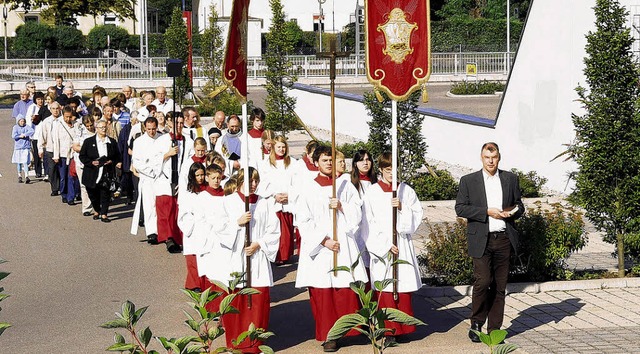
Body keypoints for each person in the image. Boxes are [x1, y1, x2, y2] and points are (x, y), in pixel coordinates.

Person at [294, 145, 368, 352]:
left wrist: (342, 206)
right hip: (321, 248)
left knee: (344, 290)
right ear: (316, 162)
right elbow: (303, 219)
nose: (328, 163)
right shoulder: (308, 188)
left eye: (331, 160)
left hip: (343, 244)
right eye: (325, 160)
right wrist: (323, 240)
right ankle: (329, 336)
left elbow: (357, 214)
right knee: (323, 293)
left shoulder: (344, 185)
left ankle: (348, 330)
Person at [455, 142, 525, 342]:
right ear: (481, 158)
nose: (491, 161)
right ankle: (476, 322)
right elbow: (460, 208)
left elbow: (520, 205)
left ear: (499, 158)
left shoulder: (510, 179)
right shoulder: (469, 181)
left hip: (503, 238)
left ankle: (494, 329)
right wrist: (486, 212)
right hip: (481, 239)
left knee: (499, 287)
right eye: (487, 157)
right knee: (483, 281)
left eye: (493, 157)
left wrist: (513, 212)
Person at [363, 152, 423, 342]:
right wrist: (384, 245)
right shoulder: (372, 192)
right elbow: (367, 224)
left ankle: (404, 328)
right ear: (380, 169)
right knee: (385, 289)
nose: (392, 174)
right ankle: (388, 331)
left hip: (402, 243)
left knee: (402, 287)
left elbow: (416, 218)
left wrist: (402, 208)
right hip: (382, 245)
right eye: (388, 170)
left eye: (395, 170)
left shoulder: (406, 190)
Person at [218, 167, 279, 353]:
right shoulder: (227, 202)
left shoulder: (265, 203)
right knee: (236, 301)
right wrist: (237, 223)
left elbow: (274, 230)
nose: (254, 184)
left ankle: (254, 345)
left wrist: (259, 243)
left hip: (258, 258)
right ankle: (235, 343)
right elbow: (219, 228)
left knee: (258, 301)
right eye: (250, 180)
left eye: (256, 181)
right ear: (240, 180)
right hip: (236, 258)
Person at [258, 135, 300, 264]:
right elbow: (263, 183)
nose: (281, 149)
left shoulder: (293, 162)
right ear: (273, 148)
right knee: (275, 227)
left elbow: (298, 182)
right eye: (278, 147)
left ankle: (285, 255)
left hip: (288, 199)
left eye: (283, 147)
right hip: (273, 200)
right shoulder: (266, 164)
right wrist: (274, 194)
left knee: (287, 230)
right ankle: (276, 255)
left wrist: (290, 194)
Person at [195, 164, 229, 313]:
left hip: (224, 240)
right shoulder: (202, 197)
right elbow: (200, 221)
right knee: (211, 275)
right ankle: (211, 309)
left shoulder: (227, 195)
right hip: (209, 240)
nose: (216, 181)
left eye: (218, 178)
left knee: (223, 276)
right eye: (213, 178)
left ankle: (223, 308)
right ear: (207, 178)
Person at [154, 114, 189, 253]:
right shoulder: (161, 141)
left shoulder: (189, 142)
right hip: (165, 179)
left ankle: (179, 238)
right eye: (176, 123)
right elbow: (153, 160)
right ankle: (169, 238)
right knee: (167, 211)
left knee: (179, 211)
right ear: (170, 124)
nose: (179, 126)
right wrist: (168, 154)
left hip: (181, 180)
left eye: (181, 123)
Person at [79, 119, 121, 222]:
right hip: (92, 172)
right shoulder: (88, 142)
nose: (103, 129)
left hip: (106, 172)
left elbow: (117, 156)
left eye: (105, 127)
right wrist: (91, 162)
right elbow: (82, 156)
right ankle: (97, 209)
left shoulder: (111, 142)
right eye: (101, 127)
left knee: (105, 192)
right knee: (92, 193)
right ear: (96, 129)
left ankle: (104, 214)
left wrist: (111, 161)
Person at [130, 117, 162, 242]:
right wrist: (150, 170)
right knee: (149, 205)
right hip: (147, 177)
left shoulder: (162, 138)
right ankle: (151, 232)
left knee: (159, 204)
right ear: (144, 128)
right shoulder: (138, 142)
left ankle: (161, 230)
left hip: (160, 176)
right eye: (149, 129)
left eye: (154, 129)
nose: (152, 132)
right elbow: (136, 162)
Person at [177, 162, 207, 291]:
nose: (200, 178)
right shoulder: (187, 193)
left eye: (202, 175)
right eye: (197, 175)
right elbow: (183, 212)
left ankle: (204, 283)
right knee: (192, 259)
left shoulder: (208, 191)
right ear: (192, 176)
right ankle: (194, 283)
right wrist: (193, 221)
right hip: (193, 228)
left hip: (205, 228)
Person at [350, 149, 377, 271]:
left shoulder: (377, 182)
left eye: (368, 159)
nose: (365, 163)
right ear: (355, 163)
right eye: (361, 160)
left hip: (373, 225)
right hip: (357, 226)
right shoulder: (349, 182)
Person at [52, 105, 80, 205]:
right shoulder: (58, 124)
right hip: (62, 154)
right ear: (62, 115)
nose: (68, 119)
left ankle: (71, 197)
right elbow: (55, 140)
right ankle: (64, 193)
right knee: (63, 176)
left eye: (70, 116)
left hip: (73, 154)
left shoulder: (76, 124)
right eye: (66, 116)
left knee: (72, 176)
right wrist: (56, 155)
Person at [73, 115, 97, 216]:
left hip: (95, 163)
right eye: (87, 126)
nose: (89, 127)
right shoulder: (80, 132)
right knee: (84, 185)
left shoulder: (97, 132)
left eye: (91, 125)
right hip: (81, 162)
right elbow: (75, 146)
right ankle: (86, 208)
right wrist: (86, 149)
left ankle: (96, 206)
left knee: (95, 184)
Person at [38, 102, 62, 192]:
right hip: (50, 149)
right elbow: (42, 136)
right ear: (50, 110)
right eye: (53, 109)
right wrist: (40, 149)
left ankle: (61, 187)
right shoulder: (46, 121)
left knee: (61, 170)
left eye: (57, 108)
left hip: (61, 149)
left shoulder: (63, 120)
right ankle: (54, 188)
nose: (55, 111)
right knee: (51, 170)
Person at [26, 91, 46, 178]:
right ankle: (38, 171)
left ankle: (46, 171)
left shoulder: (46, 108)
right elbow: (28, 120)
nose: (40, 101)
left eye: (41, 99)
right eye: (38, 99)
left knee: (45, 154)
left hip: (45, 134)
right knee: (36, 154)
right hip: (35, 134)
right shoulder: (32, 108)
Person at [12, 114, 34, 183]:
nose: (22, 122)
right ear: (18, 121)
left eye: (23, 121)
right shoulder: (15, 127)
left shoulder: (26, 127)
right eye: (21, 121)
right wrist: (19, 136)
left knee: (25, 162)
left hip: (25, 147)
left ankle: (27, 176)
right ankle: (19, 176)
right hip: (18, 148)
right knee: (19, 162)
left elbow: (32, 131)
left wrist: (25, 134)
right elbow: (13, 136)